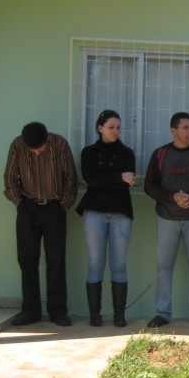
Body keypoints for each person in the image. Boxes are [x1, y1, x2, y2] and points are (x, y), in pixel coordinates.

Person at [144, 112, 189, 328]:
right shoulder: (161, 154)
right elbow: (149, 185)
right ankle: (163, 313)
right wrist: (171, 198)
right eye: (185, 127)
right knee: (164, 267)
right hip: (167, 218)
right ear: (173, 131)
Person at [4, 122, 78, 326]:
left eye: (40, 148)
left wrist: (64, 205)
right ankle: (30, 310)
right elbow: (10, 178)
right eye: (33, 149)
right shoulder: (17, 146)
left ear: (47, 139)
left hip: (54, 208)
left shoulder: (59, 144)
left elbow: (71, 177)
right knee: (27, 260)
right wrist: (19, 203)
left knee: (56, 260)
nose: (37, 151)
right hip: (27, 207)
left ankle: (58, 310)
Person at [76, 110, 136, 328]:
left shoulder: (127, 153)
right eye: (111, 127)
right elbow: (90, 178)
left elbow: (129, 180)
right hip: (95, 212)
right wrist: (118, 177)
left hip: (121, 214)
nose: (116, 131)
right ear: (100, 128)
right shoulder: (89, 152)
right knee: (95, 264)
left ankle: (119, 314)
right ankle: (95, 314)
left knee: (119, 265)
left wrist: (106, 180)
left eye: (119, 127)